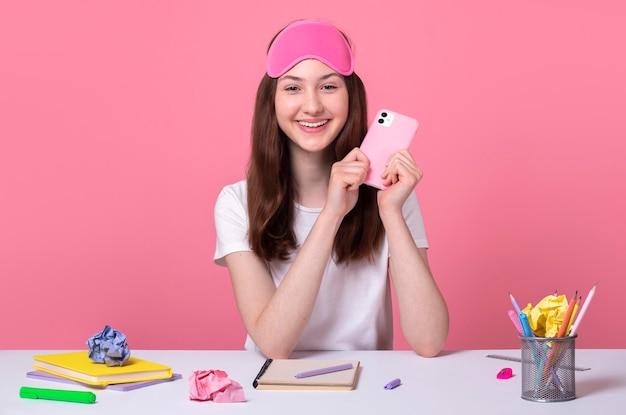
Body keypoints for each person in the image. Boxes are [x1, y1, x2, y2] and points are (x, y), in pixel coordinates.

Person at [214, 19, 448, 359]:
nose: (312, 106)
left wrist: (391, 212)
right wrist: (332, 213)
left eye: (328, 87)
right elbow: (273, 344)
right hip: (275, 388)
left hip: (367, 389)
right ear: (272, 102)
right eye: (293, 88)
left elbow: (429, 341)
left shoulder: (390, 195)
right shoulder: (236, 202)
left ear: (351, 97)